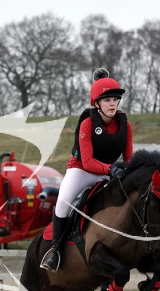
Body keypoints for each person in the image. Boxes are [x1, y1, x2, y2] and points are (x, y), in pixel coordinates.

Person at [40, 68, 134, 272]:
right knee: (62, 204)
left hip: (107, 173)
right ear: (97, 103)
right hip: (81, 170)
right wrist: (112, 169)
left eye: (115, 100)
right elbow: (89, 162)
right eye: (107, 100)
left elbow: (129, 159)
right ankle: (55, 252)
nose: (113, 104)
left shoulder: (125, 126)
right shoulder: (87, 124)